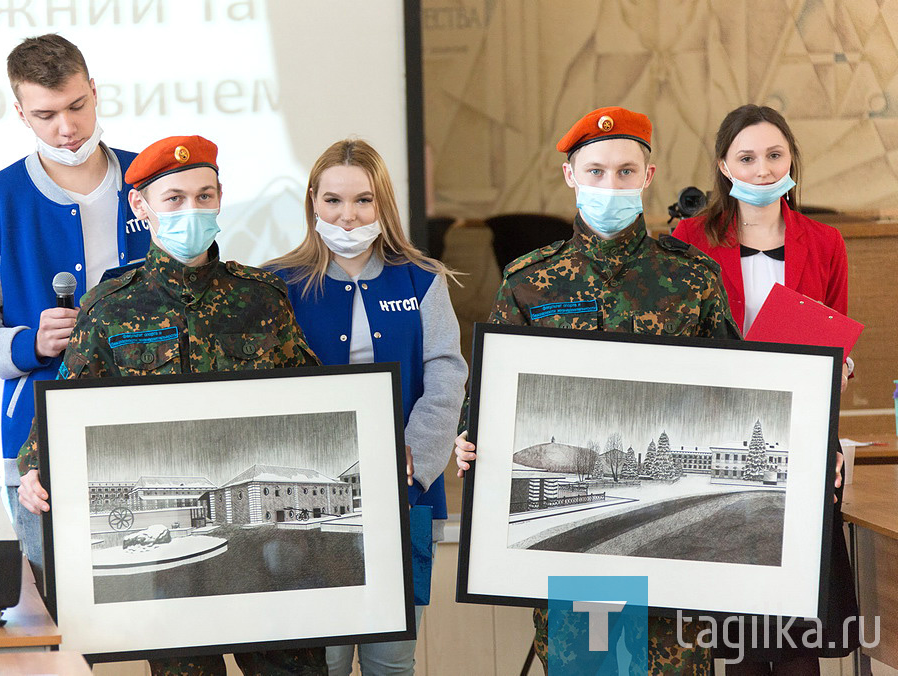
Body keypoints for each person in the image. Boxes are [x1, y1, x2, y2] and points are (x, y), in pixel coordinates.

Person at [16, 135, 326, 676]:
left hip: (270, 566)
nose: (193, 210)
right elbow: (58, 417)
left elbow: (319, 402)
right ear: (141, 206)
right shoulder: (110, 309)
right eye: (175, 198)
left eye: (205, 196)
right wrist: (33, 470)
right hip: (177, 573)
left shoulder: (262, 298)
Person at [453, 106, 741, 675]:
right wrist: (472, 437)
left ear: (648, 177)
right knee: (589, 665)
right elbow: (487, 395)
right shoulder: (530, 282)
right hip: (576, 562)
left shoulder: (692, 279)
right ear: (570, 177)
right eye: (596, 171)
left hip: (673, 560)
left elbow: (735, 391)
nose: (611, 184)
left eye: (626, 172)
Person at [0, 34, 151, 572]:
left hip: (149, 425)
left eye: (77, 106)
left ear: (95, 91)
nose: (67, 127)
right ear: (20, 113)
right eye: (46, 114)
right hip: (37, 445)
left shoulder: (152, 186)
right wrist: (28, 343)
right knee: (56, 603)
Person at [265, 139, 467, 676]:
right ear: (312, 203)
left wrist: (415, 454)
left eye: (362, 201)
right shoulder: (275, 284)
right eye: (333, 201)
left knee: (392, 660)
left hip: (399, 494)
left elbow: (446, 373)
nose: (347, 216)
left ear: (384, 205)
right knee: (321, 660)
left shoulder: (422, 279)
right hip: (311, 504)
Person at [672, 104, 858, 675]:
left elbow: (839, 336)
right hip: (725, 436)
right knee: (741, 640)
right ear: (723, 166)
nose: (761, 169)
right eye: (746, 158)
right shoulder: (688, 238)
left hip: (801, 438)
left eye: (774, 155)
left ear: (791, 159)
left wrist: (841, 365)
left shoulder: (825, 242)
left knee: (799, 636)